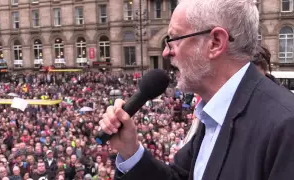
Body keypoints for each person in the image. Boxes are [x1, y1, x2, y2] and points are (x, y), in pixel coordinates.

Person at [99, 0, 294, 180]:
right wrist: (131, 151)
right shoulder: (212, 116)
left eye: (175, 38)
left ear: (215, 42)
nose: (166, 52)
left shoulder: (285, 126)